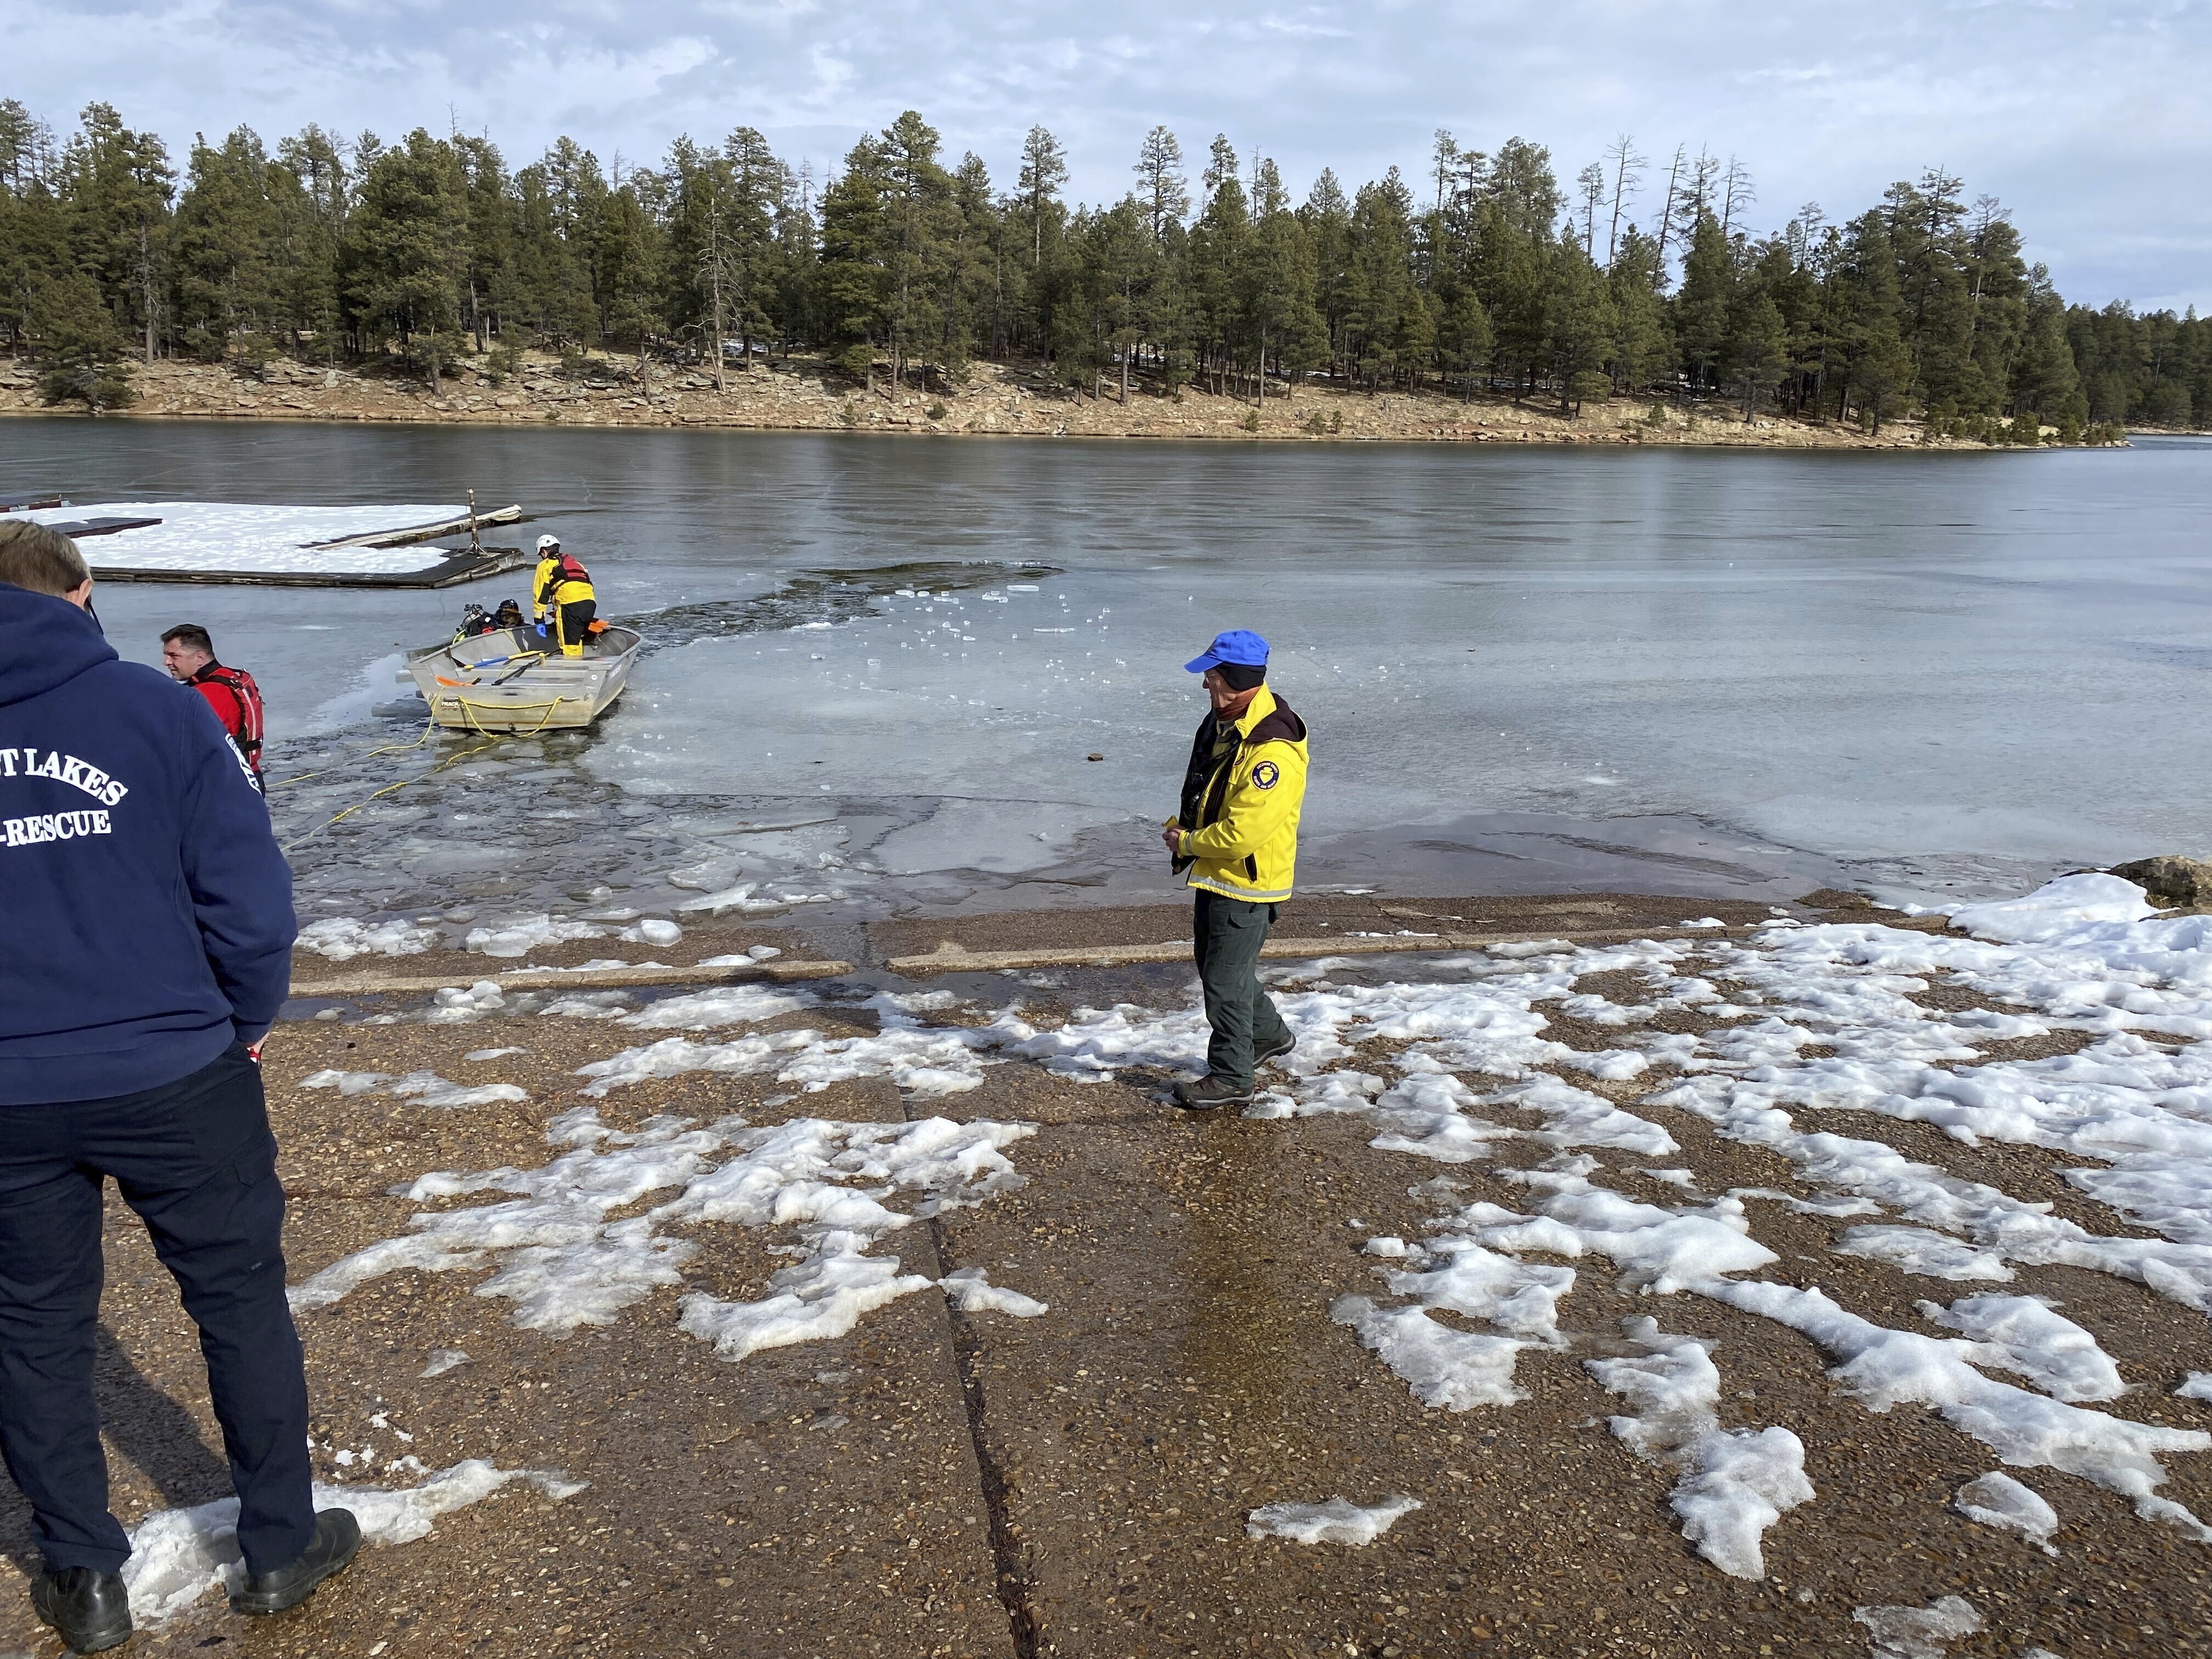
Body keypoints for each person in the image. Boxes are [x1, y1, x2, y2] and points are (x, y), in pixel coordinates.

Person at [0, 520, 358, 1654]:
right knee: (238, 1301)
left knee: (34, 1327)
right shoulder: (159, 711)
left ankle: (84, 1574)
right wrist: (243, 1025)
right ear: (85, 593)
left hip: (9, 1091)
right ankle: (275, 1547)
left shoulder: (155, 706)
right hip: (176, 1070)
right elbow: (251, 907)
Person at [1159, 629, 1311, 1110]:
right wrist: (1188, 830)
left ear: (1236, 679)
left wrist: (1187, 841)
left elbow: (1243, 835)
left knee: (1224, 981)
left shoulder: (1271, 750)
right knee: (1221, 971)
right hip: (1220, 874)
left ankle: (1231, 1076)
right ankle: (1268, 1036)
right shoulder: (1228, 721)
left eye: (1211, 675)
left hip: (1246, 884)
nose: (1205, 684)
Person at [159, 623, 266, 794]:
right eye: (166, 655)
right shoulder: (232, 677)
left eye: (174, 656)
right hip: (250, 775)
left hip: (228, 785)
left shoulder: (208, 693)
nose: (166, 662)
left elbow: (191, 745)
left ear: (200, 658)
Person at [530, 534, 597, 657]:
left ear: (544, 551)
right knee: (575, 638)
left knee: (569, 645)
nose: (541, 558)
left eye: (541, 555)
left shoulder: (545, 565)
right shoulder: (574, 562)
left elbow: (541, 595)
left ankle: (572, 672)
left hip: (570, 605)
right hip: (590, 603)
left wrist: (539, 620)